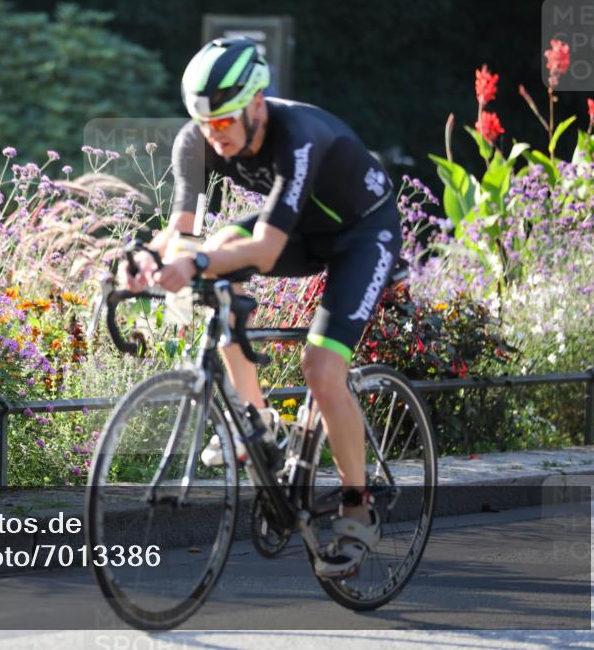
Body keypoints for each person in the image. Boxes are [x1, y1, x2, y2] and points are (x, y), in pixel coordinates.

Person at [123, 36, 401, 578]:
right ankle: (261, 425)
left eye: (225, 122)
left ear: (256, 103)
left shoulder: (296, 136)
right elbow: (182, 234)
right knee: (219, 249)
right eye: (205, 123)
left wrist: (197, 264)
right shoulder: (198, 140)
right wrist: (143, 260)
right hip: (302, 232)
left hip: (362, 234)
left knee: (321, 369)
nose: (214, 135)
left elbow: (268, 250)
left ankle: (357, 507)